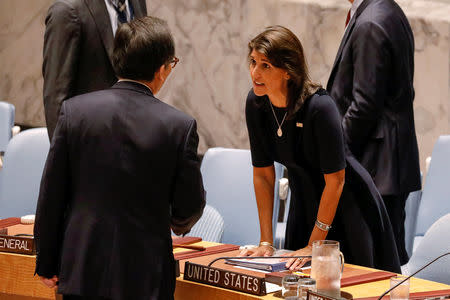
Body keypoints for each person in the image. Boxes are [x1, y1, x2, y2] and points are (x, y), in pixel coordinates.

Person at [34, 16, 205, 300]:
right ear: (162, 69)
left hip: (81, 271)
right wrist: (176, 223)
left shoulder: (74, 112)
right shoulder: (179, 126)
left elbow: (52, 194)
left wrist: (47, 261)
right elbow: (190, 205)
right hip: (146, 278)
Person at [241, 25, 401, 273]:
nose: (255, 72)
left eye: (265, 65)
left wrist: (316, 244)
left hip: (347, 204)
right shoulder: (256, 104)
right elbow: (262, 174)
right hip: (304, 202)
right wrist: (266, 242)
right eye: (253, 62)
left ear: (288, 71)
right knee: (298, 282)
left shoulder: (319, 107)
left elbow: (336, 181)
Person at [326, 0, 421, 265]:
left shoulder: (371, 22)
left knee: (375, 270)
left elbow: (364, 105)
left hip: (374, 168)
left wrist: (334, 154)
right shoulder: (386, 9)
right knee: (384, 266)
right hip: (385, 165)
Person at [43, 0, 147, 140]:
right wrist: (65, 159)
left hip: (134, 138)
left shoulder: (137, 2)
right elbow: (56, 100)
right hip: (89, 144)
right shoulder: (67, 11)